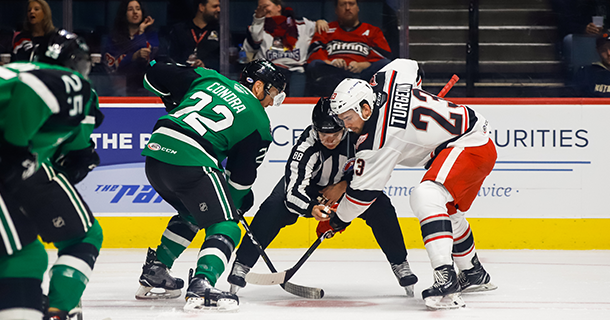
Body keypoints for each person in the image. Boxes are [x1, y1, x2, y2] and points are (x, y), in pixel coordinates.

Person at [324, 59, 497, 310]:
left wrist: (338, 219)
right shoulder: (387, 80)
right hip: (470, 136)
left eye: (348, 117)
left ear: (365, 108)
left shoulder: (378, 142)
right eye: (341, 119)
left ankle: (445, 279)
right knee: (449, 212)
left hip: (470, 144)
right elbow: (409, 64)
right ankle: (473, 273)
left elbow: (362, 197)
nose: (346, 125)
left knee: (425, 195)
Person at [226, 97, 418, 296]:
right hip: (309, 192)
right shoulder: (306, 146)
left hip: (350, 186)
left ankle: (400, 263)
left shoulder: (359, 138)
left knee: (381, 206)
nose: (329, 140)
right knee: (273, 208)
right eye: (323, 134)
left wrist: (343, 187)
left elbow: (374, 173)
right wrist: (311, 208)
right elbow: (292, 192)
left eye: (334, 134)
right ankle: (242, 264)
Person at [135, 59, 286, 312]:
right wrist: (235, 205)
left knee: (192, 212)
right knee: (226, 224)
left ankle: (156, 269)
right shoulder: (260, 124)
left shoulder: (210, 78)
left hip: (156, 152)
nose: (272, 102)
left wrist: (174, 102)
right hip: (190, 158)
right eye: (273, 95)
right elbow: (239, 181)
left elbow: (153, 71)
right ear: (258, 87)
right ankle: (203, 283)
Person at [0, 29, 104, 320]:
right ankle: (56, 311)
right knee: (22, 257)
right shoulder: (66, 80)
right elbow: (37, 89)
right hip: (24, 165)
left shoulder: (13, 70)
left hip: (23, 167)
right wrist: (15, 148)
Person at [306, 0, 391, 97]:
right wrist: (331, 63)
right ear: (336, 10)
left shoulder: (373, 31)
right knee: (314, 65)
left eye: (351, 4)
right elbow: (313, 55)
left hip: (362, 75)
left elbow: (383, 56)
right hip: (333, 74)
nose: (347, 8)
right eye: (343, 4)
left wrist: (363, 65)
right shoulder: (326, 29)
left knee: (386, 64)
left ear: (357, 8)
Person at [244, 0, 329, 97]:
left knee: (297, 99)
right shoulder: (258, 27)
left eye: (266, 6)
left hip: (296, 71)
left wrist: (321, 21)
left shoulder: (301, 25)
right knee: (268, 100)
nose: (263, 10)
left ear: (278, 7)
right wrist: (258, 19)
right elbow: (255, 39)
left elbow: (322, 27)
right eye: (260, 7)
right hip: (269, 71)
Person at [104, 0, 159, 95]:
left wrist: (141, 31)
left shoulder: (151, 35)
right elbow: (113, 64)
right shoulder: (114, 38)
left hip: (148, 87)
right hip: (121, 88)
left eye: (138, 9)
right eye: (130, 9)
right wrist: (133, 56)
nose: (135, 12)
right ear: (124, 13)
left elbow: (147, 57)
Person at [167, 0, 221, 70]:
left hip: (210, 77)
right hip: (182, 75)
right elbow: (171, 57)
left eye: (219, 6)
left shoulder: (221, 32)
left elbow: (224, 60)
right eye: (215, 6)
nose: (219, 10)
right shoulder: (180, 30)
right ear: (201, 7)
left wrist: (205, 64)